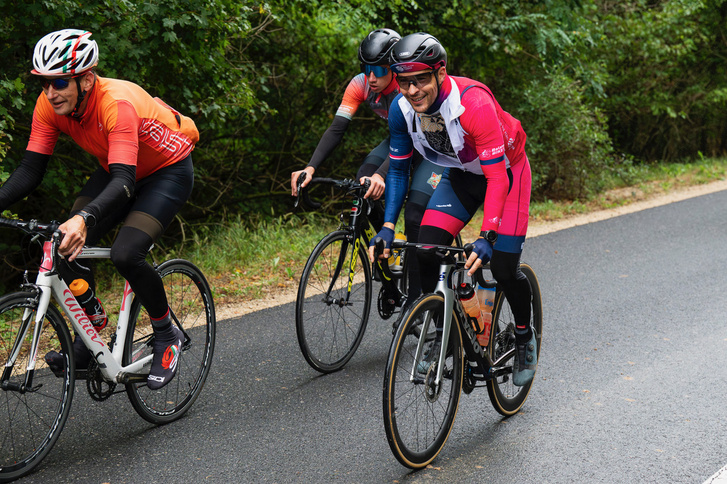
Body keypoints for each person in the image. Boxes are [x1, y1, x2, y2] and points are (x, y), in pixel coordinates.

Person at [0, 29, 199, 390]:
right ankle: (88, 332)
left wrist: (84, 218)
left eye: (60, 82)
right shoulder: (50, 106)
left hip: (166, 173)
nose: (50, 92)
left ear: (87, 78)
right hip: (117, 169)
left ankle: (166, 333)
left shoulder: (115, 102)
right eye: (43, 83)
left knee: (126, 253)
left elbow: (125, 180)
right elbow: (30, 170)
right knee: (63, 240)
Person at [369, 32, 536, 386]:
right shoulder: (401, 111)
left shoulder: (473, 104)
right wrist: (386, 226)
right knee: (427, 248)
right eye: (404, 82)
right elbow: (398, 169)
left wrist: (487, 235)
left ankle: (524, 336)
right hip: (461, 173)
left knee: (503, 267)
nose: (412, 91)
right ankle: (442, 328)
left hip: (506, 172)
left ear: (440, 73)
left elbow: (496, 177)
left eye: (421, 80)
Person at [291, 28, 445, 316]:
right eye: (365, 68)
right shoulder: (361, 85)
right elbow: (337, 129)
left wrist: (383, 175)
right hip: (399, 140)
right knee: (363, 184)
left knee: (414, 216)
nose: (371, 77)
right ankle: (388, 267)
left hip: (429, 146)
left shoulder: (406, 86)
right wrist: (310, 167)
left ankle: (416, 301)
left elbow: (412, 144)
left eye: (379, 69)